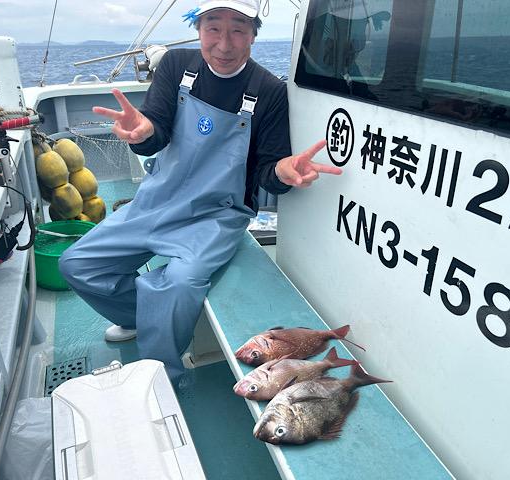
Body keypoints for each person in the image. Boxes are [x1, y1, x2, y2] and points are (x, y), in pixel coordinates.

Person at [58, 0, 342, 385]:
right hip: (157, 201)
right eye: (213, 28)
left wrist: (283, 171)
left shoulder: (269, 91)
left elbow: (266, 171)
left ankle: (163, 378)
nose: (224, 44)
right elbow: (156, 130)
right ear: (198, 30)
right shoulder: (176, 66)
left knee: (178, 284)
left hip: (217, 215)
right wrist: (142, 134)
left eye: (238, 30)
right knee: (77, 264)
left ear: (254, 35)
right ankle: (141, 318)